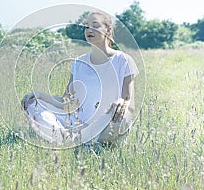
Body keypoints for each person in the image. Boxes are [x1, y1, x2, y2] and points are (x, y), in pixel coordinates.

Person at [21, 12, 138, 146]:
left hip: (106, 122)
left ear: (108, 29)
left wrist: (121, 102)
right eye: (86, 27)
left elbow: (130, 103)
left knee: (124, 117)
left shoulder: (123, 60)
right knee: (34, 105)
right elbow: (66, 104)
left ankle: (79, 141)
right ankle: (77, 141)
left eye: (95, 26)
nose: (89, 30)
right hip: (77, 123)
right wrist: (39, 95)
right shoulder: (79, 63)